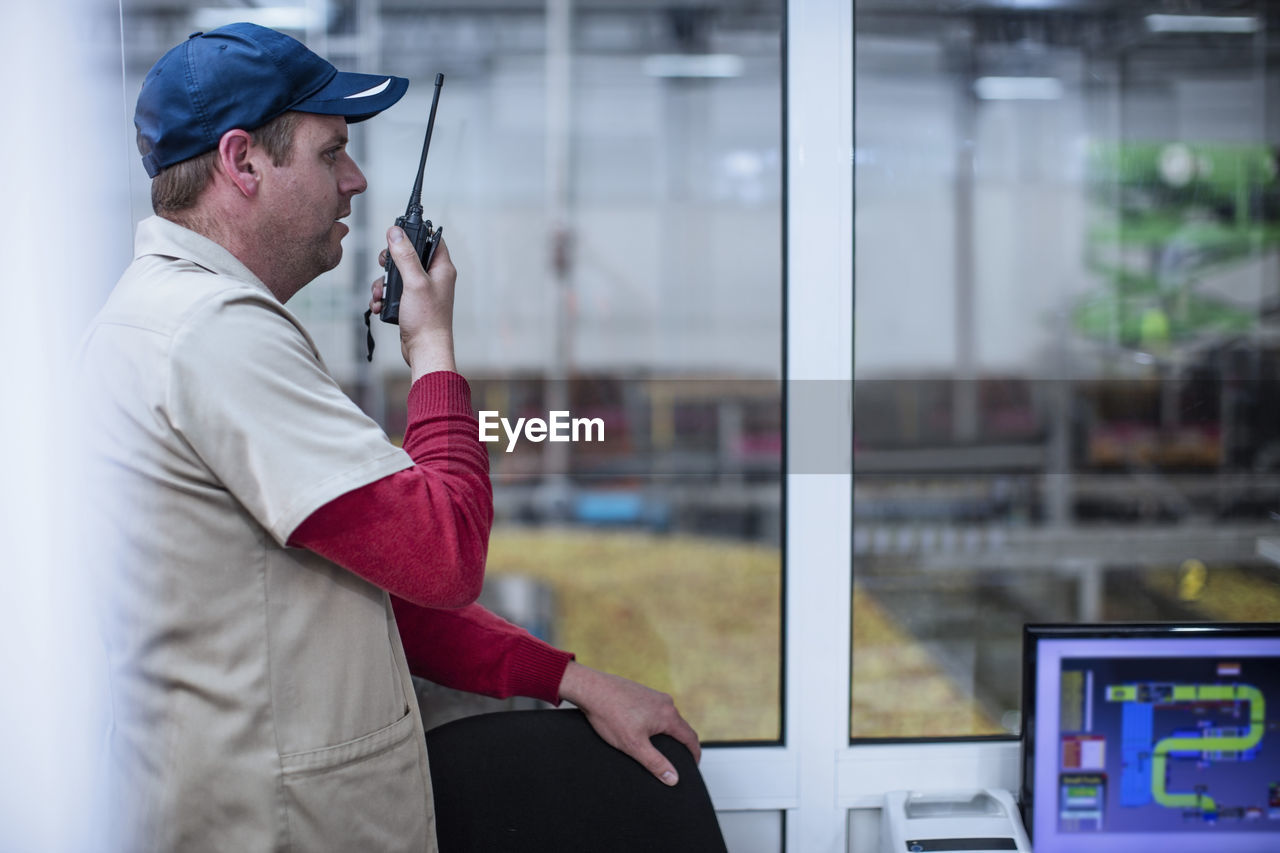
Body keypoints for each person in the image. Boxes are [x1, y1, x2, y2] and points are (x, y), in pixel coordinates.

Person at [81, 22, 699, 851]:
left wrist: (568, 679)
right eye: (332, 152)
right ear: (242, 163)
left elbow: (369, 589)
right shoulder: (213, 335)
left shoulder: (169, 317)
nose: (357, 180)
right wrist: (432, 348)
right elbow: (442, 554)